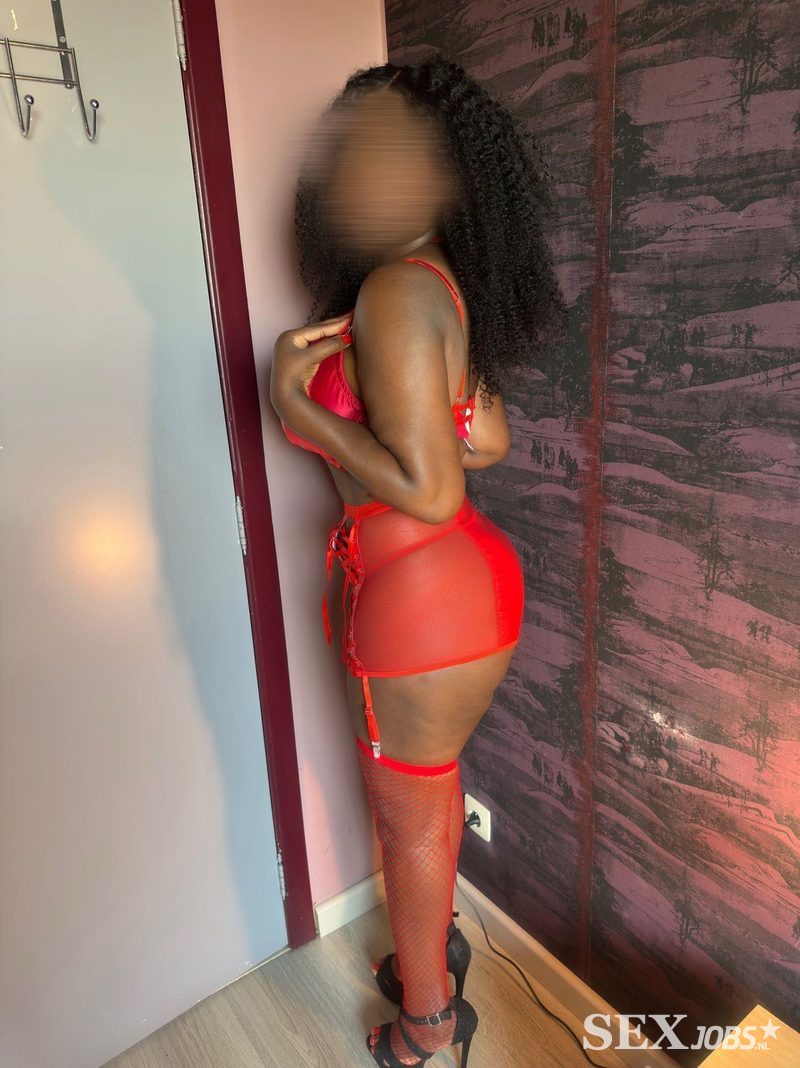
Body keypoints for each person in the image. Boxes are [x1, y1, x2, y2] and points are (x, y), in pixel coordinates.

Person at [270, 53, 567, 1067]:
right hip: (459, 586)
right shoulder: (439, 284)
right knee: (428, 797)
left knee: (406, 821)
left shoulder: (394, 292)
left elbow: (430, 488)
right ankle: (429, 955)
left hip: (419, 596)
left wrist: (295, 404)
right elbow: (488, 441)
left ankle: (426, 1024)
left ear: (448, 173)